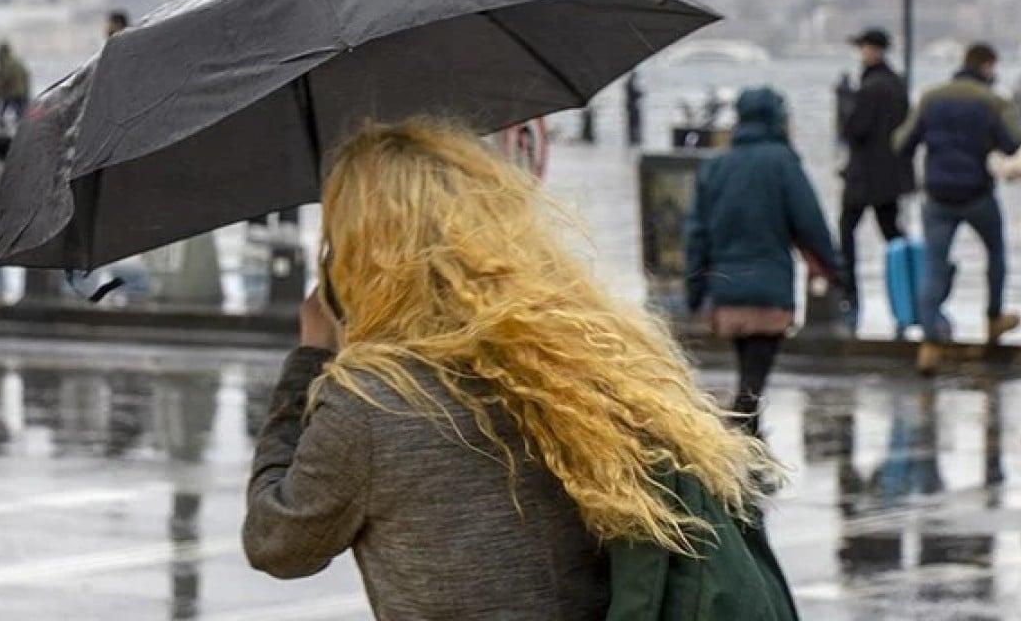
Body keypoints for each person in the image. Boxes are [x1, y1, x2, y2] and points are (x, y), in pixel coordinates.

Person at [244, 119, 796, 619]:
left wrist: (310, 358)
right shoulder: (578, 356)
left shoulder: (372, 404)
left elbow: (278, 542)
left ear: (362, 258)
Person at [686, 88, 840, 437]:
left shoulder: (716, 166)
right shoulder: (783, 162)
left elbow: (696, 233)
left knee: (747, 358)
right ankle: (746, 418)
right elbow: (809, 221)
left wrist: (695, 288)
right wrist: (834, 268)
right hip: (770, 282)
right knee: (758, 361)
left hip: (725, 285)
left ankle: (747, 417)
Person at [895, 42, 1021, 373]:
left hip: (937, 195)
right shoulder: (991, 101)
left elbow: (901, 143)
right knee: (996, 254)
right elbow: (1012, 141)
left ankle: (930, 343)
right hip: (977, 193)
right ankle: (993, 319)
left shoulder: (931, 97)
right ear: (988, 67)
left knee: (934, 267)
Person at [839, 28, 912, 325]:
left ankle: (850, 292)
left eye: (864, 48)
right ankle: (910, 285)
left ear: (874, 50)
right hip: (890, 175)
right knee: (892, 232)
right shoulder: (896, 83)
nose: (862, 54)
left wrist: (845, 104)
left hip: (864, 175)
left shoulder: (870, 88)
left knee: (846, 230)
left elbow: (855, 130)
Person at [0, 41, 30, 124]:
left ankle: (0, 124)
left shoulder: (5, 63)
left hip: (11, 92)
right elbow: (26, 75)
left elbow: (4, 78)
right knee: (21, 111)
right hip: (21, 91)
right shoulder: (17, 62)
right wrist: (26, 89)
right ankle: (22, 124)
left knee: (3, 111)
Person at [625, 70, 643, 145]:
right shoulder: (629, 84)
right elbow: (633, 94)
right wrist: (640, 94)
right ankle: (634, 137)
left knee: (632, 123)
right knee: (634, 122)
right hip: (632, 106)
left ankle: (633, 137)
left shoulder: (628, 83)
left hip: (630, 106)